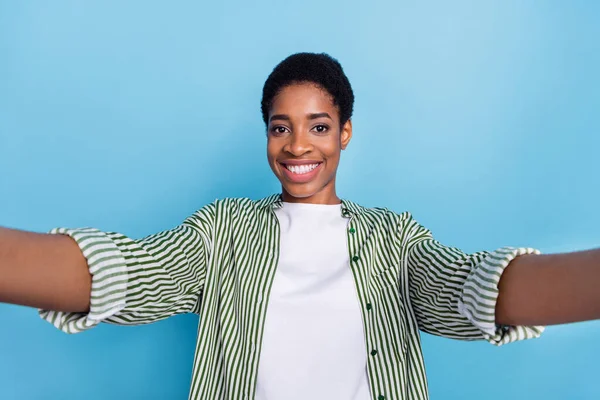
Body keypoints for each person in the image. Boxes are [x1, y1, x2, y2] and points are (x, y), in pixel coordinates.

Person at [0, 52, 598, 400]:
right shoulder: (224, 230)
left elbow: (469, 289)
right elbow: (131, 274)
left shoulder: (394, 239)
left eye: (317, 125)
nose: (297, 145)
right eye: (280, 126)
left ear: (345, 133)